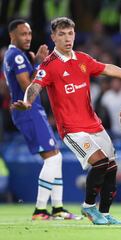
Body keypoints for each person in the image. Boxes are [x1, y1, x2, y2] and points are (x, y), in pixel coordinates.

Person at [11, 17, 121, 225]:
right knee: (99, 162)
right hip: (72, 129)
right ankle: (89, 207)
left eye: (70, 33)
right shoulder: (50, 65)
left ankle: (105, 214)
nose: (67, 38)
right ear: (53, 37)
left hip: (94, 124)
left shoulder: (82, 59)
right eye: (61, 34)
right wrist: (27, 101)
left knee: (111, 167)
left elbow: (107, 68)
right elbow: (35, 86)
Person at [3, 19, 80, 220]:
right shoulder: (16, 56)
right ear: (12, 35)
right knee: (53, 158)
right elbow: (28, 85)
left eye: (29, 33)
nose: (28, 37)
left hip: (31, 110)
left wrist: (36, 61)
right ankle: (40, 210)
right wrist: (39, 63)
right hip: (27, 110)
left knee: (56, 157)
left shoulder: (18, 55)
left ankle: (58, 208)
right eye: (22, 34)